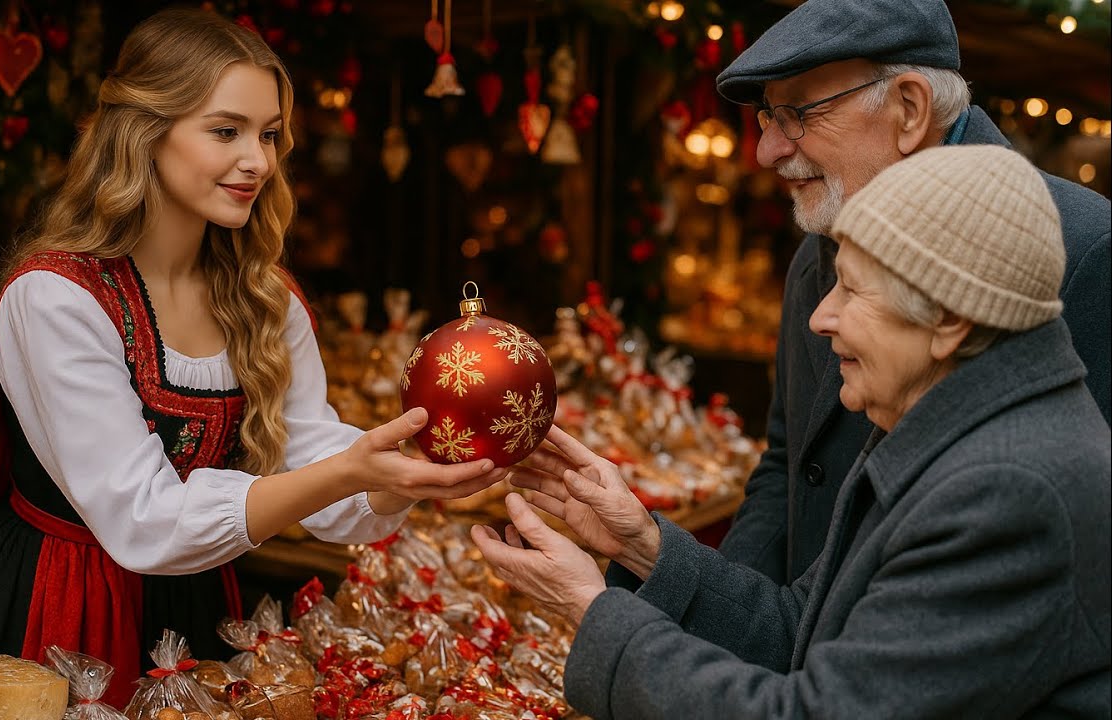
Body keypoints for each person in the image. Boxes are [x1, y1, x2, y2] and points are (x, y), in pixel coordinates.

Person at [0, 8, 505, 705]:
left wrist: (398, 478)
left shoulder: (266, 300)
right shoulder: (56, 299)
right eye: (226, 131)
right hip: (55, 607)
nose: (259, 161)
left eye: (270, 134)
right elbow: (142, 520)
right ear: (146, 133)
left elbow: (310, 457)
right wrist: (346, 469)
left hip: (193, 604)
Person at [475, 145, 1111, 719]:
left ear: (947, 320)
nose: (821, 317)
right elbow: (799, 631)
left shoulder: (1009, 492)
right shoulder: (944, 431)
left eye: (853, 290)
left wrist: (593, 610)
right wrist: (641, 544)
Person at [714, 0, 1111, 585]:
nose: (766, 150)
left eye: (797, 113)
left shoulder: (1085, 248)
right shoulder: (822, 245)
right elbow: (790, 467)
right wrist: (725, 624)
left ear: (908, 109)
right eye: (767, 118)